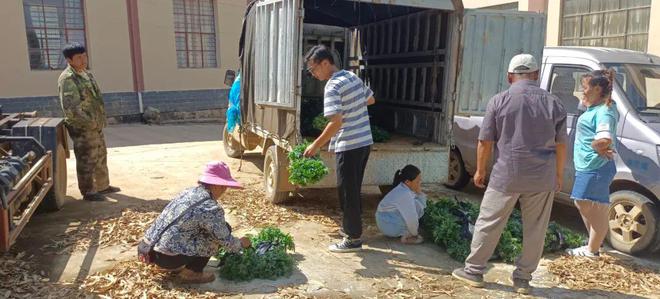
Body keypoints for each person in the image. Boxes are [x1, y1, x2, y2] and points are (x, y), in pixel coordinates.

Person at [451, 54, 568, 295]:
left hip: (507, 175)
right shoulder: (554, 103)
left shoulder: (499, 100)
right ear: (536, 75)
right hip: (541, 177)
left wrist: (481, 171)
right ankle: (523, 280)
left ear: (509, 76)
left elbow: (485, 141)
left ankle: (473, 271)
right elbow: (561, 144)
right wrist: (557, 175)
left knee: (489, 222)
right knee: (535, 228)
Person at [302, 45, 376, 253]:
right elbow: (370, 99)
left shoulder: (332, 87)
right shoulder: (352, 78)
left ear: (326, 63)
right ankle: (352, 230)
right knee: (353, 190)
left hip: (349, 144)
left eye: (314, 69)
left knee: (347, 193)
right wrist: (353, 108)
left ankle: (353, 239)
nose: (313, 74)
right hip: (364, 142)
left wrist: (315, 145)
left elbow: (335, 122)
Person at [140, 161, 251, 284]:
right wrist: (241, 243)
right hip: (167, 258)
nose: (224, 190)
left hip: (147, 248)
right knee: (219, 234)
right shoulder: (210, 208)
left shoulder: (188, 192)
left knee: (218, 228)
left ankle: (172, 264)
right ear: (216, 185)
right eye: (223, 186)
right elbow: (226, 241)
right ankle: (192, 273)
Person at [565, 69, 619, 258]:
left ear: (597, 88)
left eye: (584, 87)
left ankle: (592, 251)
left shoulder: (605, 111)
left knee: (595, 207)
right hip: (588, 165)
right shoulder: (597, 107)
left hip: (596, 166)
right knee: (583, 203)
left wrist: (598, 145)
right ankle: (594, 243)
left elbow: (604, 139)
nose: (582, 91)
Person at [58, 43, 119, 201]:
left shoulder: (86, 74)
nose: (83, 60)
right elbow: (72, 107)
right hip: (82, 126)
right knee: (87, 157)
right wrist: (89, 123)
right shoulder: (68, 78)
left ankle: (103, 186)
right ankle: (89, 191)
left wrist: (97, 120)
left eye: (84, 56)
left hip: (95, 124)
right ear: (69, 60)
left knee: (100, 154)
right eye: (79, 57)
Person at [375, 165, 427, 244]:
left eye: (420, 180)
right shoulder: (404, 194)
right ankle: (406, 236)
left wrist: (419, 192)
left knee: (417, 204)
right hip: (388, 225)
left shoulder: (404, 188)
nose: (420, 183)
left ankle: (406, 232)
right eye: (417, 181)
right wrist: (414, 234)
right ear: (407, 182)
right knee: (418, 237)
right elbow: (411, 218)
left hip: (386, 220)